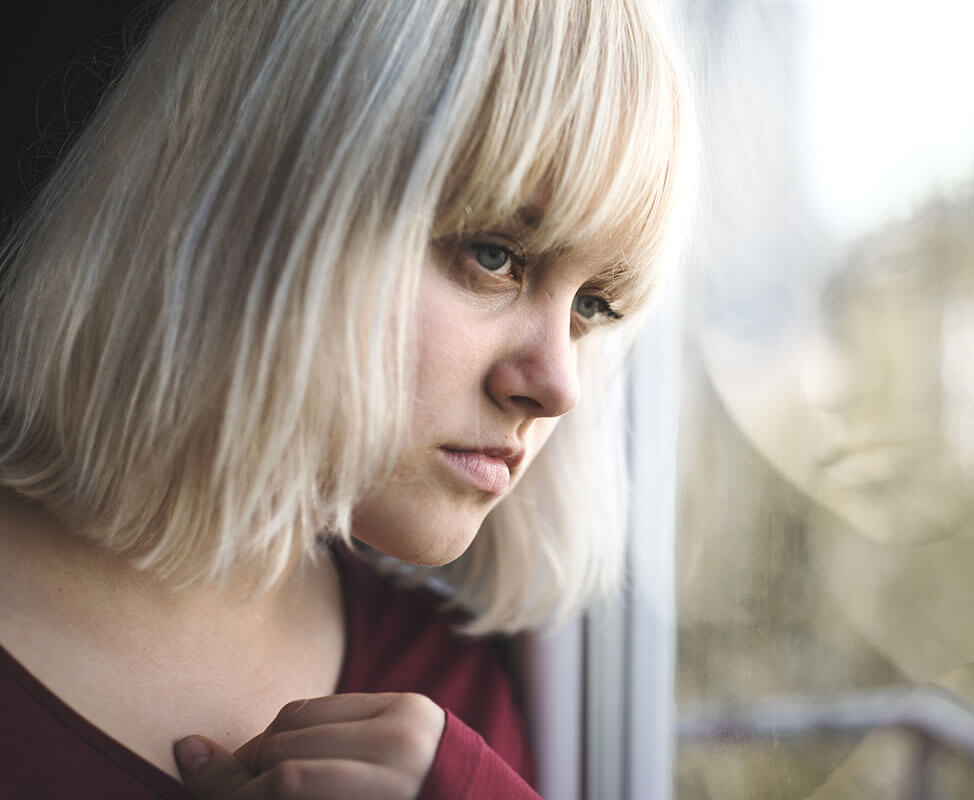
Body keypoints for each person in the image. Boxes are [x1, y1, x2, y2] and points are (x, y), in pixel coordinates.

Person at [0, 0, 694, 797]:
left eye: (592, 308)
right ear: (268, 192)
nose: (558, 386)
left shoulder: (447, 704)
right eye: (495, 255)